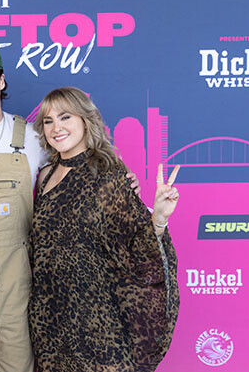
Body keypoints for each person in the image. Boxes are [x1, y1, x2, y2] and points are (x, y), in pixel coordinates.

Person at [0, 40, 141, 372]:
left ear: (1, 80)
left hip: (16, 281)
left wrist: (116, 175)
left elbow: (79, 163)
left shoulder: (34, 138)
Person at [29, 87, 180, 372]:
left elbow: (138, 246)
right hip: (49, 316)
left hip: (98, 319)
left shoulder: (110, 173)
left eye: (65, 117)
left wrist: (158, 218)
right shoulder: (45, 174)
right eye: (48, 121)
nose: (56, 128)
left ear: (86, 120)